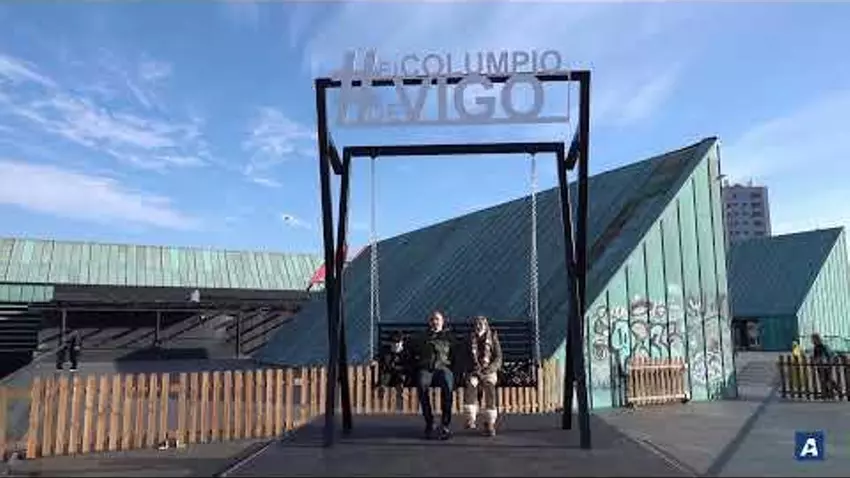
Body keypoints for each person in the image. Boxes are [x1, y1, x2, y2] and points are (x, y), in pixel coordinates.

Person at [411, 311, 457, 440]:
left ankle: (445, 424)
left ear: (442, 322)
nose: (435, 322)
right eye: (432, 320)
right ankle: (430, 422)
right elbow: (413, 353)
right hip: (427, 368)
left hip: (444, 368)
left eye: (437, 319)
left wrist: (455, 371)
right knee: (421, 384)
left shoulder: (449, 337)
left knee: (447, 385)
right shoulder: (422, 337)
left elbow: (456, 356)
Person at [463, 316, 503, 437]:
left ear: (486, 326)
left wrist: (490, 368)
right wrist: (473, 369)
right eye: (477, 324)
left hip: (488, 370)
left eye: (481, 324)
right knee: (471, 385)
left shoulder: (492, 337)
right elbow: (464, 357)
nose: (479, 326)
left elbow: (498, 357)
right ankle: (470, 418)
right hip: (474, 371)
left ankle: (490, 422)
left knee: (490, 388)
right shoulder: (469, 339)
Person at [811, 333, 839, 398]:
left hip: (826, 365)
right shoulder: (816, 348)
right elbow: (815, 357)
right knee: (823, 379)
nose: (812, 341)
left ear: (817, 339)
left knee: (828, 379)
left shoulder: (823, 346)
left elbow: (830, 354)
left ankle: (836, 390)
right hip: (820, 366)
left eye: (813, 339)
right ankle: (827, 392)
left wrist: (830, 361)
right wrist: (816, 361)